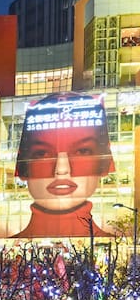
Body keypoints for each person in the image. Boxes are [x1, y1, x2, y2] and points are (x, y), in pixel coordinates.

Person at [13, 91, 115, 240]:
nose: (61, 170)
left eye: (82, 151)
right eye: (42, 154)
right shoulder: (9, 251)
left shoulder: (114, 245)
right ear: (22, 166)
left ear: (105, 162)